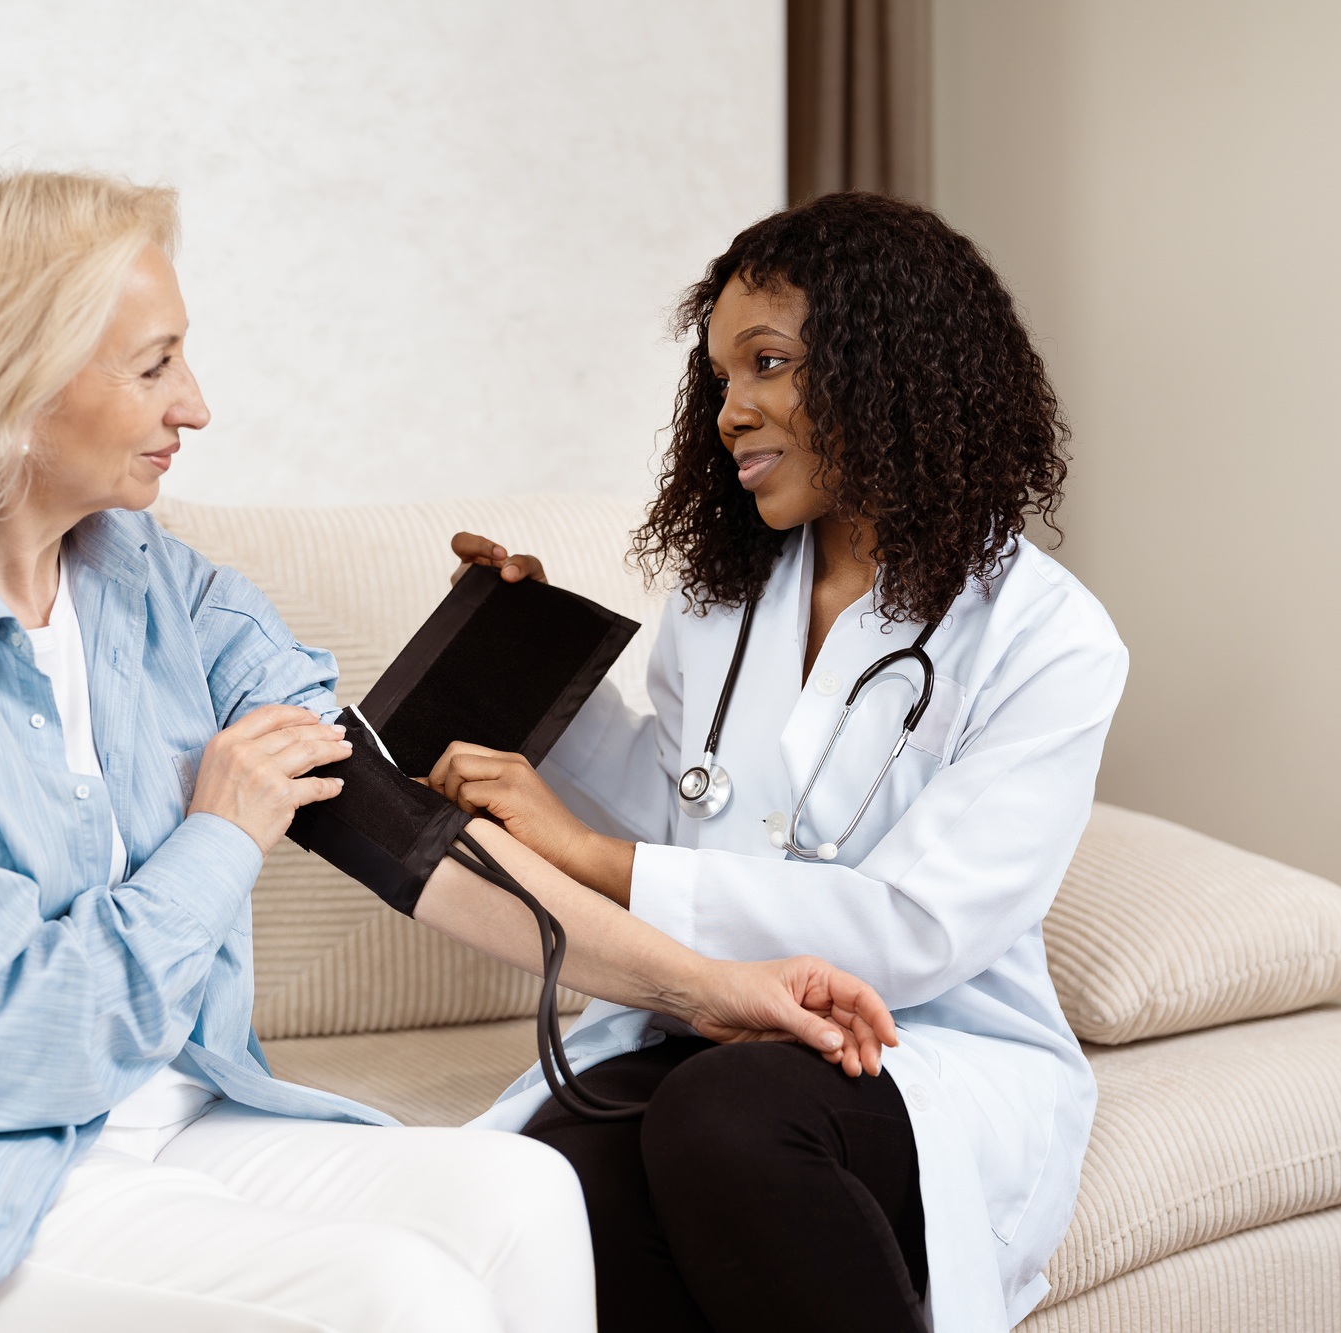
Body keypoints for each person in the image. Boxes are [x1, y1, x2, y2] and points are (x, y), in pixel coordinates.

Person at [0, 169, 896, 1333]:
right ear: (21, 380)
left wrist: (714, 987)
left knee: (531, 1197)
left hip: (179, 1119)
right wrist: (216, 840)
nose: (195, 403)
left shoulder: (155, 584)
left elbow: (394, 828)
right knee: (400, 1300)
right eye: (155, 362)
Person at [429, 193, 1128, 1333]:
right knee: (565, 1181)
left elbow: (915, 931)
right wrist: (532, 661)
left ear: (887, 369)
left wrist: (597, 861)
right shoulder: (721, 605)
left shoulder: (1044, 637)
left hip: (919, 1049)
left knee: (726, 1117)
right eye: (717, 377)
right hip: (717, 1019)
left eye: (767, 364)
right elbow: (692, 804)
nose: (728, 410)